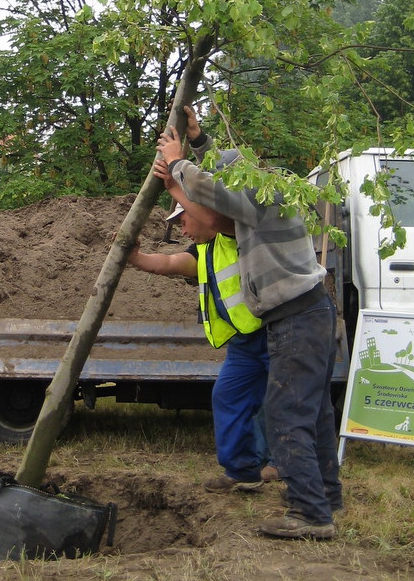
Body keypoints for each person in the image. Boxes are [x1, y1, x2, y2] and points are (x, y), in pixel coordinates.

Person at [153, 105, 342, 540]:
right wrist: (199, 141)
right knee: (313, 415)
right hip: (304, 313)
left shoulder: (262, 199)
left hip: (297, 317)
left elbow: (214, 199)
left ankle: (310, 514)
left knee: (286, 413)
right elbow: (224, 179)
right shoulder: (267, 194)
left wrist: (179, 162)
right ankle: (326, 498)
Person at [128, 193, 272, 494]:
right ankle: (244, 471)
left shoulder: (239, 233)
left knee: (281, 405)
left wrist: (176, 181)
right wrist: (136, 258)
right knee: (228, 397)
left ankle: (289, 469)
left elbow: (217, 218)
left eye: (184, 221)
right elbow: (168, 262)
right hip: (245, 343)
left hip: (277, 334)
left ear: (203, 213)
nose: (182, 231)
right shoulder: (205, 252)